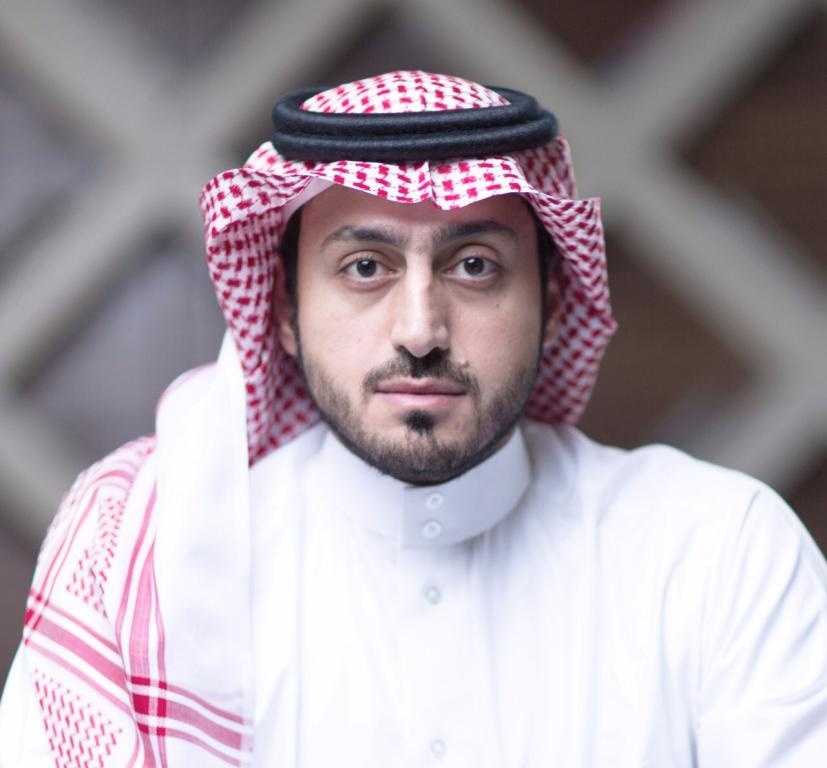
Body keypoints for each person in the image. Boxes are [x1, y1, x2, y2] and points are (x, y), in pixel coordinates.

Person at [0, 70, 825, 767]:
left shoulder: (716, 555)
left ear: (552, 298)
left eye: (475, 265)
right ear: (282, 308)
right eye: (365, 267)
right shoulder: (149, 563)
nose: (421, 330)